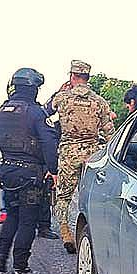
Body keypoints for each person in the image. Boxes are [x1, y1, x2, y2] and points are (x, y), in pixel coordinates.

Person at [0, 68, 58, 274]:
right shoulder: (36, 113)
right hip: (30, 175)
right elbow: (48, 142)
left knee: (12, 214)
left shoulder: (0, 111)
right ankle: (20, 267)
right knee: (28, 221)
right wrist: (53, 170)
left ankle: (0, 255)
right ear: (33, 89)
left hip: (7, 171)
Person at [51, 60, 114, 253]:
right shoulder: (100, 102)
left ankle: (65, 233)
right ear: (88, 78)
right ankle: (90, 234)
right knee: (89, 196)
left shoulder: (62, 98)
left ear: (72, 76)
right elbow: (110, 132)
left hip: (69, 152)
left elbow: (48, 109)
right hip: (92, 154)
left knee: (63, 196)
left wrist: (61, 90)